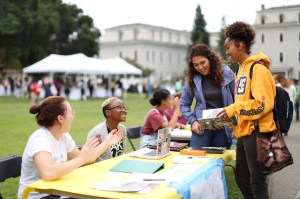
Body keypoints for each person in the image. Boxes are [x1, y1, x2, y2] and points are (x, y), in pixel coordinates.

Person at [18, 96, 123, 199]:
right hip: (37, 195)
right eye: (71, 113)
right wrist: (80, 159)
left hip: (56, 191)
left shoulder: (63, 135)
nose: (73, 116)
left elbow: (84, 161)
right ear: (60, 118)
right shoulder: (40, 139)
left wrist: (107, 143)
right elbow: (48, 173)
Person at [217, 21, 276, 199]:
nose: (226, 52)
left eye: (228, 47)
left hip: (258, 132)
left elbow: (262, 104)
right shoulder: (241, 70)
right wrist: (236, 126)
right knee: (241, 178)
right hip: (245, 133)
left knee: (257, 182)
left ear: (240, 45)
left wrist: (234, 108)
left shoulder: (258, 69)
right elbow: (245, 102)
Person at [180, 44, 235, 150]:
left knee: (218, 162)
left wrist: (234, 124)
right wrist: (193, 122)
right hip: (201, 128)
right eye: (196, 65)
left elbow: (237, 98)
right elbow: (184, 103)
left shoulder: (226, 73)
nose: (200, 67)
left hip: (223, 128)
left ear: (210, 59)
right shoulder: (193, 79)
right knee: (196, 160)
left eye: (202, 62)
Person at [87, 97, 127, 162]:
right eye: (119, 108)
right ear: (108, 112)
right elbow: (88, 159)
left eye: (124, 107)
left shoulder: (122, 129)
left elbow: (121, 154)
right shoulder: (96, 132)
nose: (124, 110)